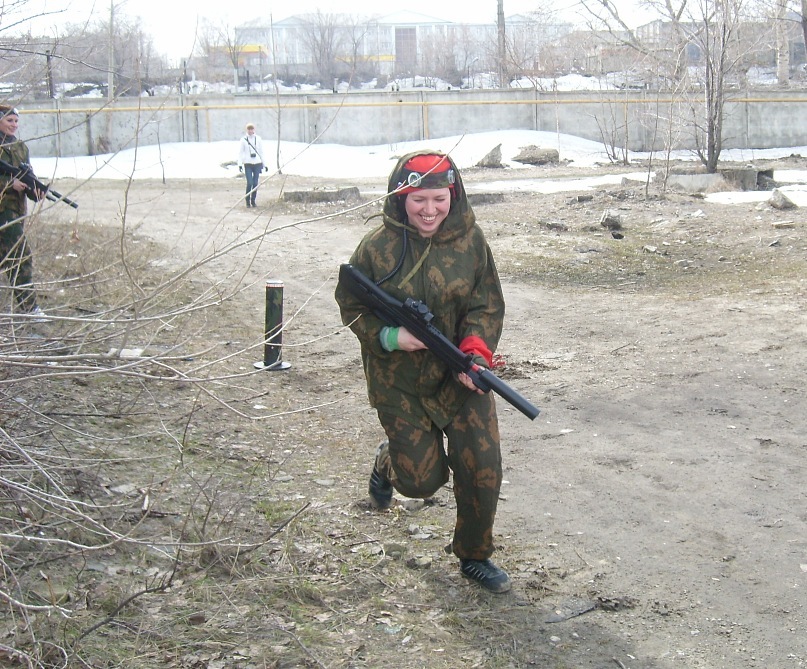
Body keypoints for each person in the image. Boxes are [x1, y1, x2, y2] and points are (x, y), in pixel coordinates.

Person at [334, 151, 511, 594]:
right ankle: (386, 461)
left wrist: (476, 353)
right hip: (399, 382)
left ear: (453, 195)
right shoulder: (377, 247)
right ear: (401, 197)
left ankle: (474, 555)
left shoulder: (472, 242)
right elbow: (351, 304)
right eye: (418, 200)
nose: (429, 210)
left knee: (482, 465)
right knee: (420, 482)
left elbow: (486, 304)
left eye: (438, 199)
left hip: (459, 376)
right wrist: (392, 336)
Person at [0, 105, 46, 319]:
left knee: (10, 258)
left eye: (16, 121)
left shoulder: (20, 147)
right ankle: (30, 309)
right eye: (9, 120)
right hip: (3, 212)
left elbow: (28, 176)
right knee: (20, 256)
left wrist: (35, 190)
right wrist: (9, 184)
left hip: (16, 212)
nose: (14, 125)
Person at [237, 122, 266, 208]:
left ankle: (253, 200)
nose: (250, 131)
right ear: (247, 130)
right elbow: (240, 152)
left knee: (255, 183)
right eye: (249, 129)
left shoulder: (258, 139)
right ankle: (247, 200)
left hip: (257, 163)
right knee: (250, 183)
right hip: (248, 163)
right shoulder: (243, 140)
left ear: (254, 130)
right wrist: (240, 164)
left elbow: (261, 152)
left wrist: (264, 164)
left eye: (251, 129)